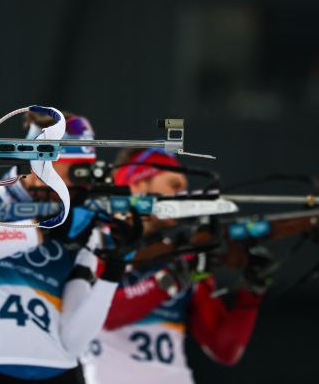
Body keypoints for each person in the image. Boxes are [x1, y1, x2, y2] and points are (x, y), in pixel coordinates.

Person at [0, 112, 142, 384]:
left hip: (63, 374)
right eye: (75, 170)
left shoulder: (80, 222)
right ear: (39, 163)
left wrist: (113, 270)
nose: (81, 186)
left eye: (86, 172)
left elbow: (73, 342)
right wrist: (44, 229)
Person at [81, 148, 271, 384]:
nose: (182, 195)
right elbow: (105, 316)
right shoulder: (96, 241)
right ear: (137, 185)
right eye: (174, 185)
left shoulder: (179, 252)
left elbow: (224, 349)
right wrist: (172, 278)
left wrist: (252, 292)